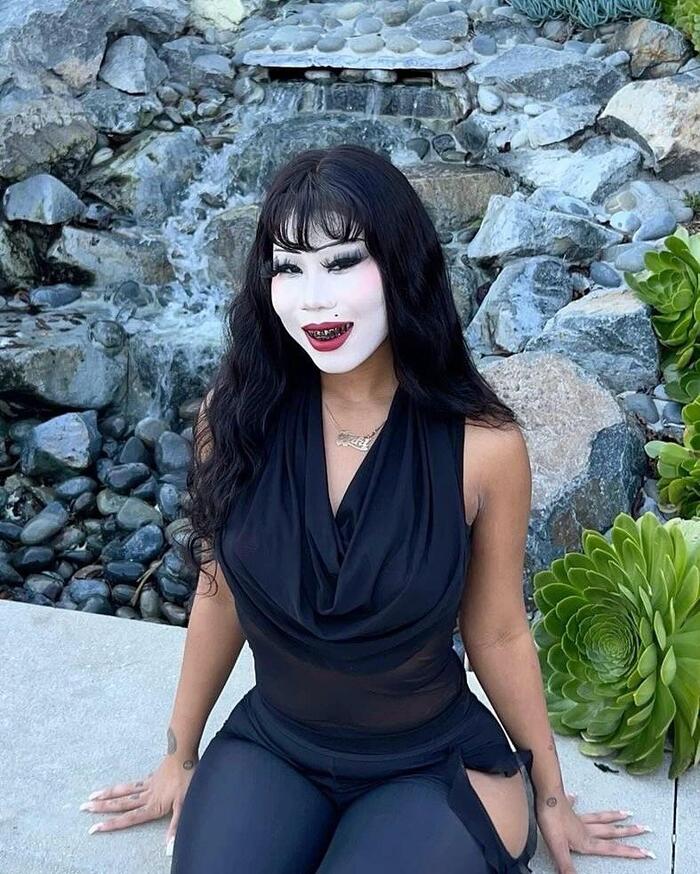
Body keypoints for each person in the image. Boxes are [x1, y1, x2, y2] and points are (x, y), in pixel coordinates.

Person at [81, 144, 655, 873]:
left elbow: (499, 632)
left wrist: (551, 795)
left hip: (431, 765)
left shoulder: (483, 447)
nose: (313, 299)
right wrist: (179, 755)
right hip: (276, 744)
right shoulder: (237, 416)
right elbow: (217, 591)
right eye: (288, 268)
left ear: (402, 265)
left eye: (343, 262)